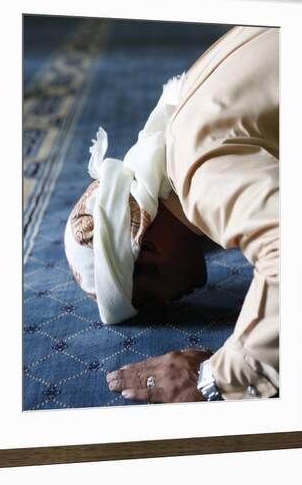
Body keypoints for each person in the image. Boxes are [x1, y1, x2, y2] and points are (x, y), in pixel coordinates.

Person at [64, 25, 279, 402]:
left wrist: (215, 379)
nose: (169, 305)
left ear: (147, 250)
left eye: (148, 299)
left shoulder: (199, 173)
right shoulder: (185, 122)